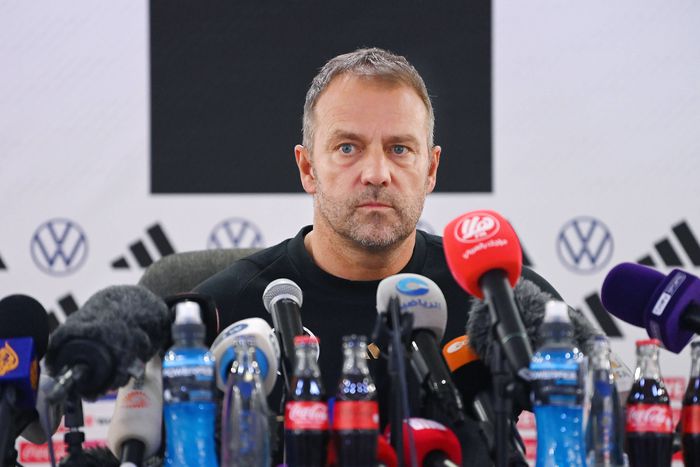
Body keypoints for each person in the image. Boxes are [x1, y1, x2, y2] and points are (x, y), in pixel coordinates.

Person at [195, 47, 553, 465]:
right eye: (348, 148)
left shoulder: (499, 298)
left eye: (400, 149)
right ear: (308, 169)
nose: (377, 174)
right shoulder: (224, 312)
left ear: (431, 169)